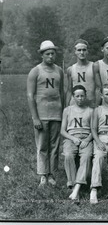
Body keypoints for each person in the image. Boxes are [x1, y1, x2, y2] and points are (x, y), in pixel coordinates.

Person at [27, 40, 64, 187]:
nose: (50, 56)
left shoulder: (59, 71)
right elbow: (30, 95)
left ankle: (51, 174)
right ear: (42, 55)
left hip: (56, 113)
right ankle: (43, 174)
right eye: (47, 54)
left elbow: (62, 92)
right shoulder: (35, 71)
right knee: (42, 145)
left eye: (52, 53)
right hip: (42, 114)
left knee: (54, 145)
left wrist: (64, 113)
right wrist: (35, 117)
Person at [60, 85, 93, 203]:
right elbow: (62, 130)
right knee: (68, 154)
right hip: (71, 138)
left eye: (82, 96)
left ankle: (77, 188)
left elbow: (94, 130)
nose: (80, 98)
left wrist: (87, 140)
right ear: (73, 97)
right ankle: (74, 185)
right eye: (77, 96)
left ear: (85, 96)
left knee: (86, 156)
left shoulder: (90, 110)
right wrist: (72, 138)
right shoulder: (67, 110)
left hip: (86, 138)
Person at [65, 39, 96, 107]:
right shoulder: (71, 69)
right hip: (75, 105)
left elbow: (98, 88)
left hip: (90, 105)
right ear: (75, 52)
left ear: (87, 51)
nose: (82, 52)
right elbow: (69, 90)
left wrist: (96, 104)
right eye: (79, 50)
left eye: (84, 50)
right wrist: (67, 107)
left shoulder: (94, 66)